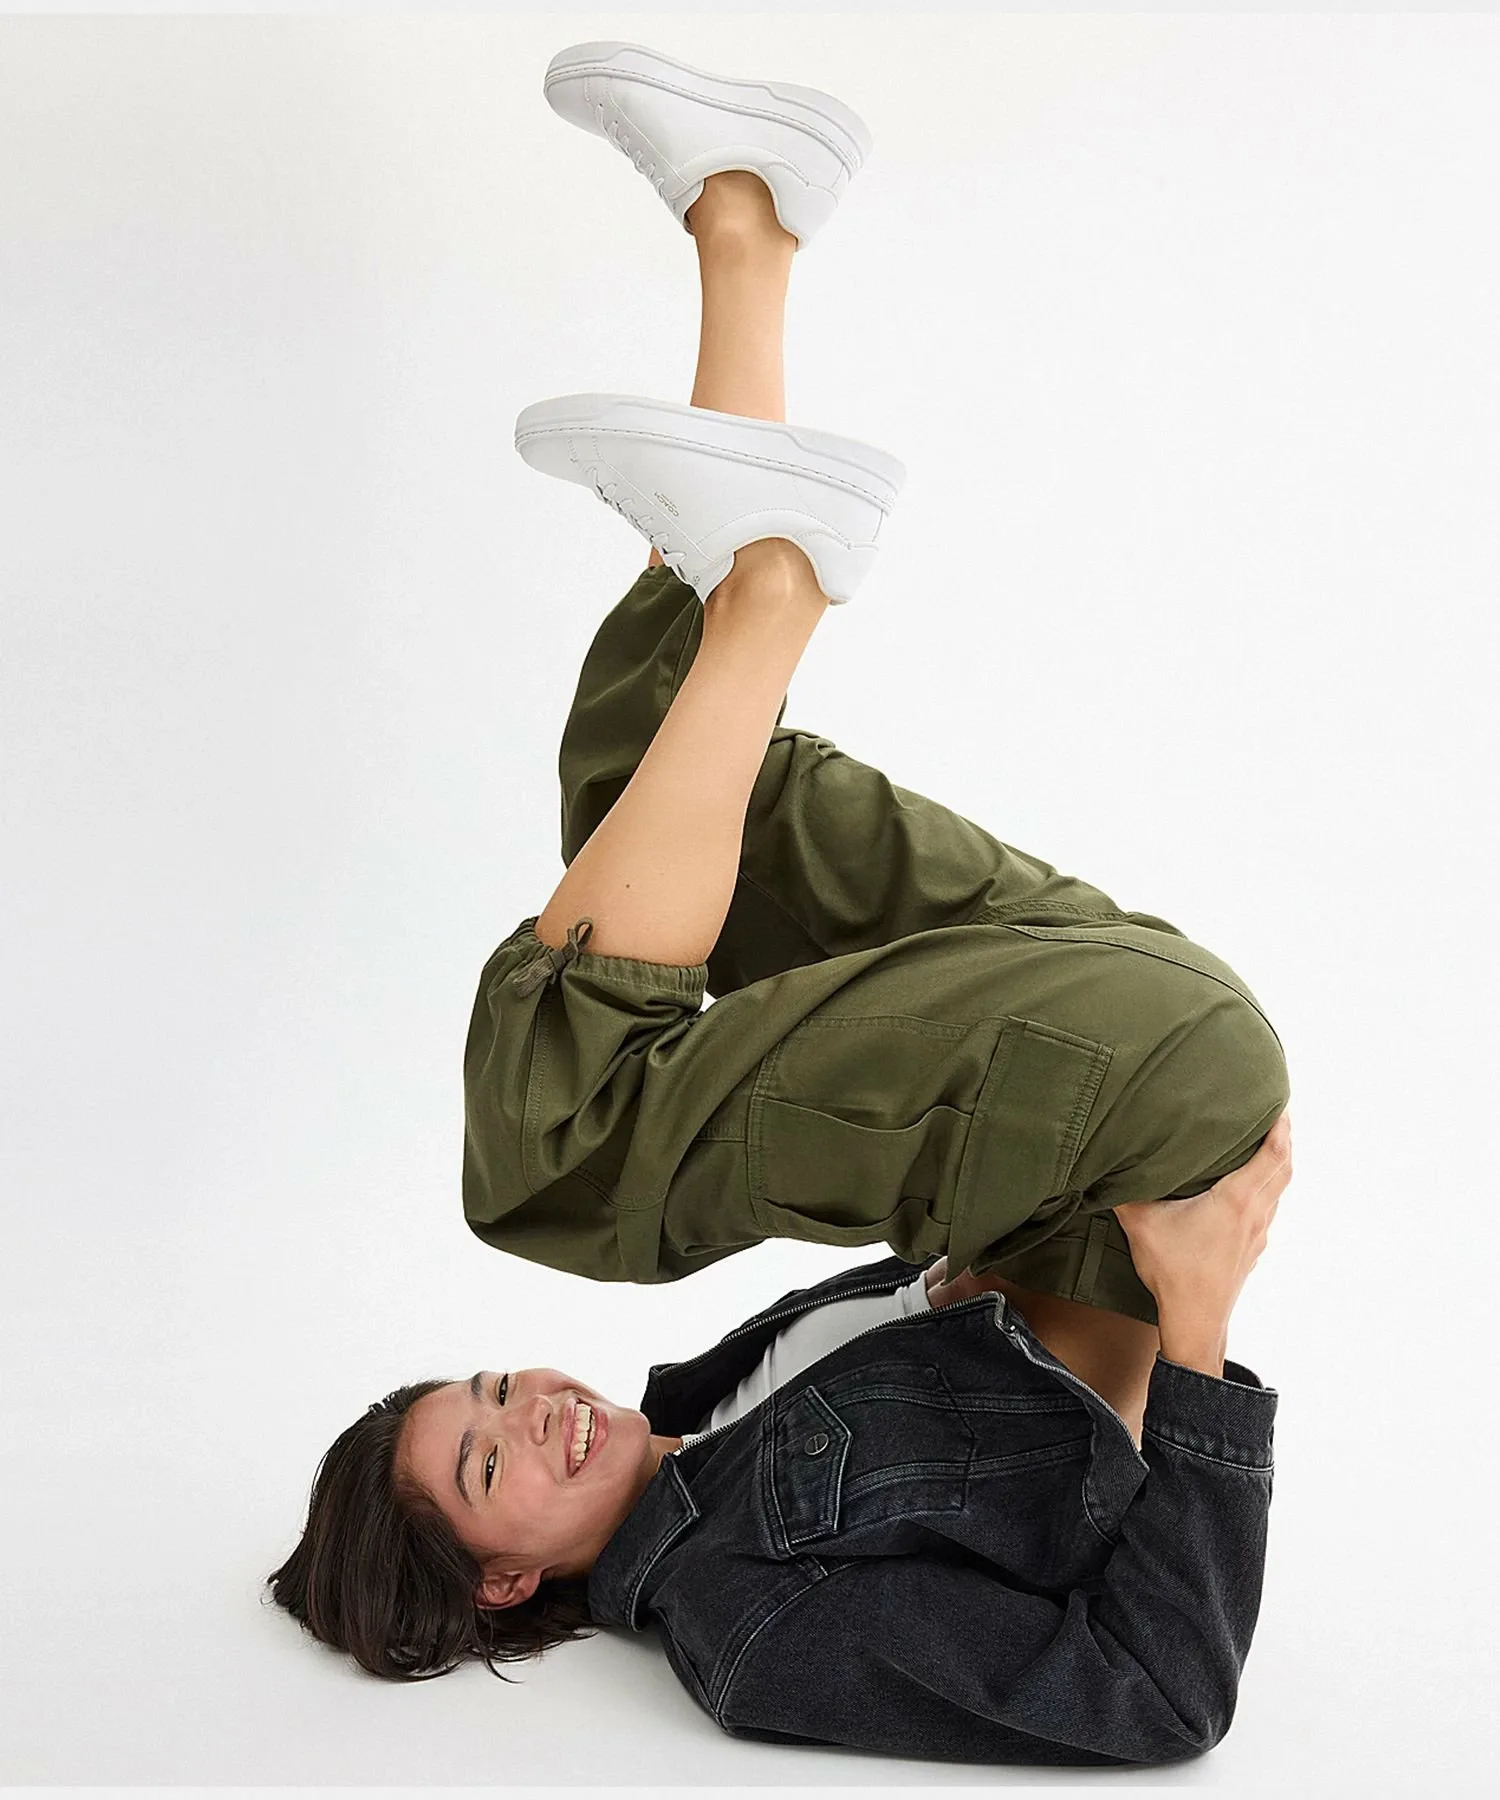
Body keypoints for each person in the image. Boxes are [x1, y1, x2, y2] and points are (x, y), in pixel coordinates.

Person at [265, 43, 1295, 1766]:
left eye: (496, 1391)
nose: (539, 1410)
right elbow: (1154, 1696)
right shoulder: (744, 1623)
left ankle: (746, 224)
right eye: (490, 1462)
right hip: (1154, 1096)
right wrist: (1200, 1342)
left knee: (648, 783)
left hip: (1100, 1020)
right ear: (501, 1583)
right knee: (552, 1166)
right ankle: (776, 582)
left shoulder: (720, 1398)